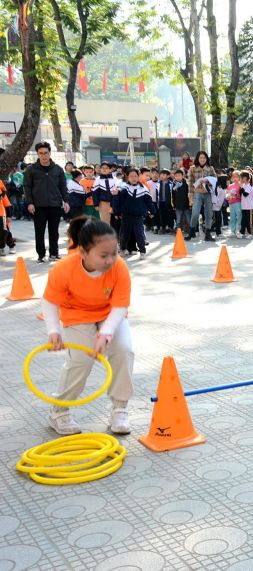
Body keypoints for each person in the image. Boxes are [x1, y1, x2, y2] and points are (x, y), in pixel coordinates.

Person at [40, 218, 133, 435]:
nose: (111, 260)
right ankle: (59, 411)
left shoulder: (119, 267)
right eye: (103, 255)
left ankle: (120, 408)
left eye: (115, 253)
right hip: (76, 313)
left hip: (110, 314)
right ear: (83, 252)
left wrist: (105, 333)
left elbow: (120, 306)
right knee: (81, 360)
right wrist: (53, 330)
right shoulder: (64, 268)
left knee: (124, 349)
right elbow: (50, 301)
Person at [24, 142, 70, 262]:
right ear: (37, 154)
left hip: (55, 205)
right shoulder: (31, 169)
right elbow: (27, 187)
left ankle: (54, 253)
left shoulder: (58, 169)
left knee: (54, 231)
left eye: (46, 153)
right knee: (39, 231)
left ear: (50, 153)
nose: (44, 156)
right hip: (38, 206)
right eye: (41, 153)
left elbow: (63, 187)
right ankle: (41, 255)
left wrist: (66, 201)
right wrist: (30, 203)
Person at [116, 168, 157, 259]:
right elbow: (119, 201)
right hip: (126, 215)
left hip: (138, 215)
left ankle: (142, 251)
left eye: (135, 176)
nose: (133, 178)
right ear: (127, 177)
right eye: (131, 176)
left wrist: (152, 211)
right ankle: (123, 249)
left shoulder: (143, 188)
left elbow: (149, 202)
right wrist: (117, 212)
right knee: (125, 233)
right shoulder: (124, 189)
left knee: (139, 234)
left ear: (138, 177)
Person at [188, 151, 216, 241]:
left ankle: (208, 234)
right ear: (197, 158)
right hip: (197, 193)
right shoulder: (192, 168)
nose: (202, 159)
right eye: (201, 158)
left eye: (204, 158)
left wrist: (207, 181)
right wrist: (190, 193)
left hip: (208, 193)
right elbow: (190, 182)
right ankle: (192, 231)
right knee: (195, 212)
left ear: (206, 159)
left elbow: (215, 179)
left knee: (208, 214)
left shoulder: (210, 168)